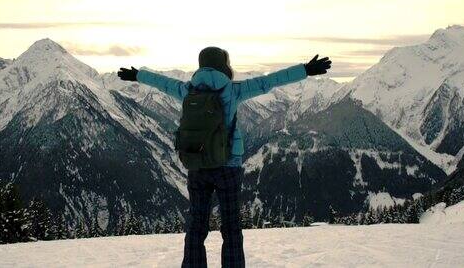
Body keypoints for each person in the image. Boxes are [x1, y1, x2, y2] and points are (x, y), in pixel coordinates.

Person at [117, 47, 331, 268]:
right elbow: (270, 81)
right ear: (224, 65)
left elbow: (162, 82)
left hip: (197, 165)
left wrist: (137, 75)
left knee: (196, 227)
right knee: (231, 228)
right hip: (228, 167)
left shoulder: (186, 89)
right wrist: (305, 69)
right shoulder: (233, 90)